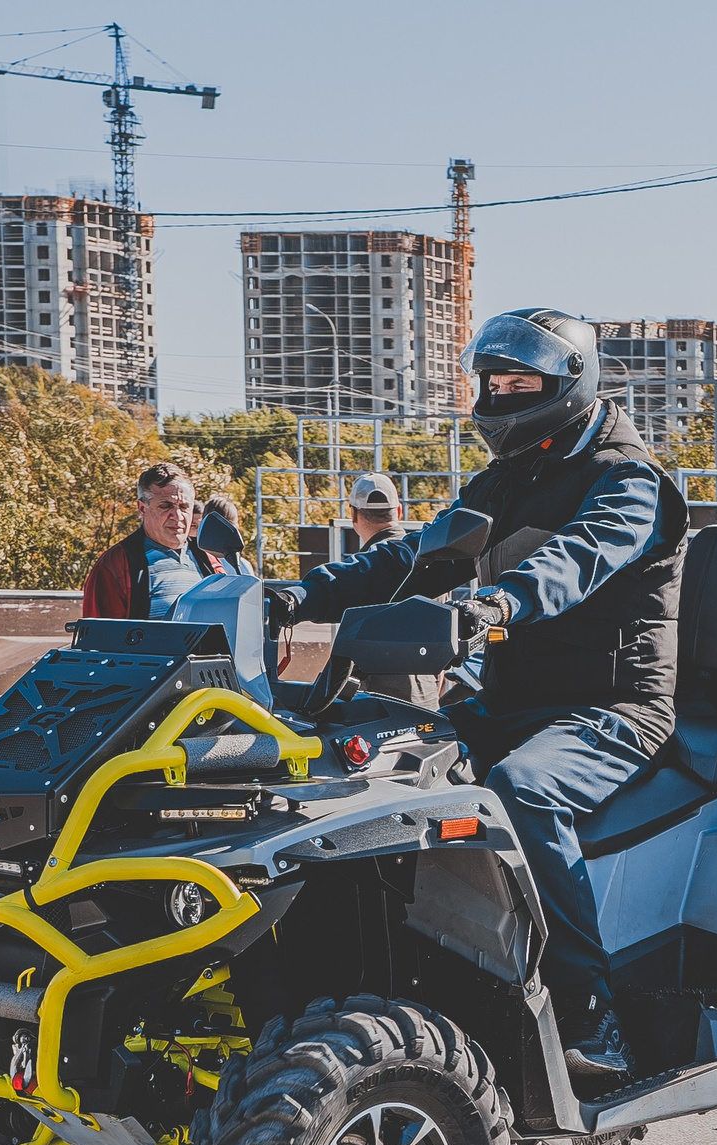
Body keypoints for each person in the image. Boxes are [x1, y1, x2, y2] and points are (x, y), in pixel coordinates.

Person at [268, 308, 688, 1085]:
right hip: (511, 703)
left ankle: (592, 1011)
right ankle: (389, 990)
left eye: (517, 381)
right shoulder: (513, 472)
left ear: (569, 382)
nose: (499, 393)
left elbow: (578, 557)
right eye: (491, 380)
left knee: (521, 792)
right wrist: (301, 594)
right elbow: (418, 551)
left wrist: (496, 603)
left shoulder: (630, 478)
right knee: (364, 769)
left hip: (613, 708)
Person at [80, 463, 254, 620]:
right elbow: (99, 640)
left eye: (184, 507)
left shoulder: (208, 558)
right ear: (142, 509)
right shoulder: (115, 565)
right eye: (166, 506)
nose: (177, 516)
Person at [341, 472, 436, 706]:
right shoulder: (431, 561)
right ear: (399, 511)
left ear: (352, 514)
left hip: (377, 705)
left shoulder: (359, 572)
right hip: (428, 699)